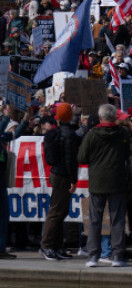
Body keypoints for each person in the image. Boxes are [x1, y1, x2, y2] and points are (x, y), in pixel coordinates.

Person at [78, 103, 132, 267]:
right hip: (117, 180)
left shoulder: (91, 134)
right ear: (115, 117)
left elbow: (81, 158)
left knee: (95, 220)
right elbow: (127, 154)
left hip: (97, 181)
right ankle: (117, 256)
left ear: (100, 117)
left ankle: (93, 256)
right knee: (117, 220)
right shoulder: (122, 133)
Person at [39, 102, 80, 261]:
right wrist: (73, 179)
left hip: (56, 172)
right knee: (56, 211)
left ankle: (55, 246)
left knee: (59, 211)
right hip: (63, 175)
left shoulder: (54, 133)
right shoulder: (69, 134)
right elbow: (70, 159)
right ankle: (47, 246)